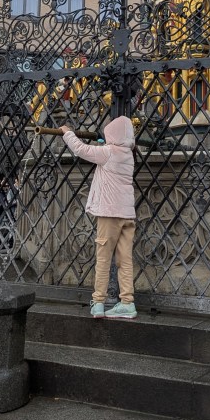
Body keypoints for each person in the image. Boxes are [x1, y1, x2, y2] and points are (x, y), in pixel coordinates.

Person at [61, 117, 137, 320]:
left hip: (109, 214)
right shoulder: (128, 154)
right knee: (125, 259)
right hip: (127, 215)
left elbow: (80, 149)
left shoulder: (109, 153)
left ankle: (98, 302)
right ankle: (127, 302)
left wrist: (67, 132)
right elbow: (106, 151)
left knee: (103, 259)